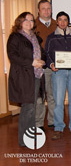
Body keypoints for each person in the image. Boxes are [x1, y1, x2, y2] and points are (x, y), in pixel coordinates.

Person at [45, 11, 71, 140]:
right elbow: (47, 54)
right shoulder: (51, 37)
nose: (62, 22)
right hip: (58, 73)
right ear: (56, 21)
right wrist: (51, 64)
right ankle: (58, 128)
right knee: (58, 101)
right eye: (60, 20)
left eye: (65, 20)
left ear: (68, 22)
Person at [7, 12, 45, 147]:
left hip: (36, 75)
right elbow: (13, 56)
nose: (29, 22)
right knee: (28, 108)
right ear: (20, 22)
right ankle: (23, 140)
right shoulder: (15, 37)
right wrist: (32, 62)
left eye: (31, 20)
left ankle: (29, 136)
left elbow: (42, 53)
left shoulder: (35, 37)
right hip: (23, 77)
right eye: (26, 20)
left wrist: (43, 61)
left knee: (32, 108)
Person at [35, 0, 57, 130]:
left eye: (48, 8)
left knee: (52, 95)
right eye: (43, 9)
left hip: (54, 66)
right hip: (39, 67)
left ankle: (52, 121)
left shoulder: (57, 25)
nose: (46, 11)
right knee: (40, 97)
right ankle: (38, 123)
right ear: (38, 10)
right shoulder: (33, 25)